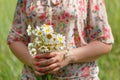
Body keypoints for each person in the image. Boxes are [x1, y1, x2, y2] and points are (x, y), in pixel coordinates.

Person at [7, 0, 114, 80]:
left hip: (79, 76)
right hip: (33, 77)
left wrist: (68, 56)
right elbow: (15, 38)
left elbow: (104, 41)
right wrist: (32, 61)